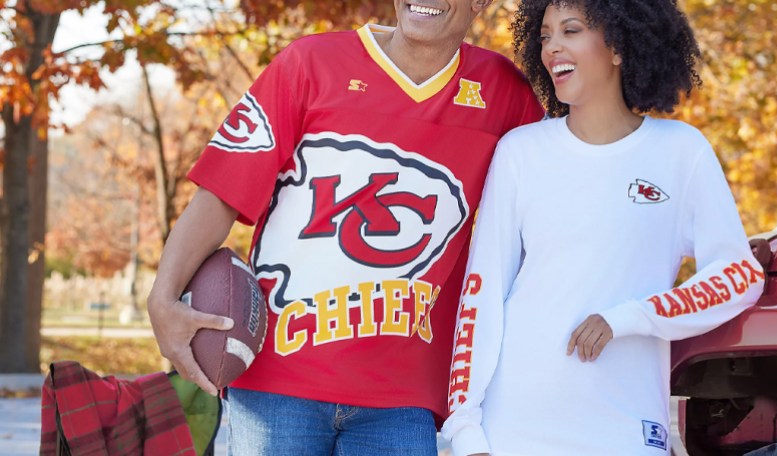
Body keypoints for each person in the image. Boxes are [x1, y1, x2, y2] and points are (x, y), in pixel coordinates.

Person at [147, 0, 544, 454]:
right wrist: (163, 297)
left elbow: (549, 204)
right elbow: (222, 191)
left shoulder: (504, 93)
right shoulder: (308, 63)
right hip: (278, 381)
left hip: (406, 395)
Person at [442, 0, 766, 454]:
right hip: (514, 424)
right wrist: (465, 427)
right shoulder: (521, 151)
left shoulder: (681, 152)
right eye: (545, 35)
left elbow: (739, 276)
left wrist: (630, 318)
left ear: (617, 46)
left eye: (571, 31)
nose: (552, 47)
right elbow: (482, 292)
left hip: (626, 425)